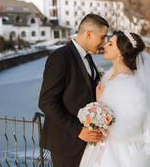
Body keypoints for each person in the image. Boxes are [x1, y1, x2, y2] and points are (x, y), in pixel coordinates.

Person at [79, 30, 150, 167]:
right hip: (102, 147)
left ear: (120, 53)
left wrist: (99, 110)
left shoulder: (129, 85)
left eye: (110, 44)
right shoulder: (109, 75)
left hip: (118, 152)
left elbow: (127, 127)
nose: (105, 45)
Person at [38, 14, 109, 167]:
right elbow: (46, 102)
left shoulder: (88, 58)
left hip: (85, 144)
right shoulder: (60, 57)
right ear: (89, 34)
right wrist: (79, 130)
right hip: (66, 143)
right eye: (102, 37)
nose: (104, 43)